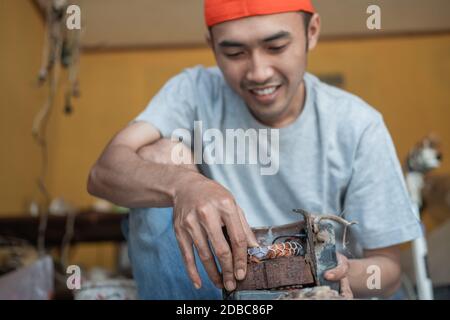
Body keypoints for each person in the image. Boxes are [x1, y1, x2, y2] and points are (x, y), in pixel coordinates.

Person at [87, 0, 422, 299]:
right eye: (234, 53)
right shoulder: (193, 91)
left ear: (312, 32)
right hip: (213, 293)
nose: (259, 73)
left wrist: (337, 271)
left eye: (276, 47)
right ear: (212, 46)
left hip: (319, 290)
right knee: (155, 155)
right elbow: (103, 172)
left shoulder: (358, 125)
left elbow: (388, 270)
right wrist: (185, 184)